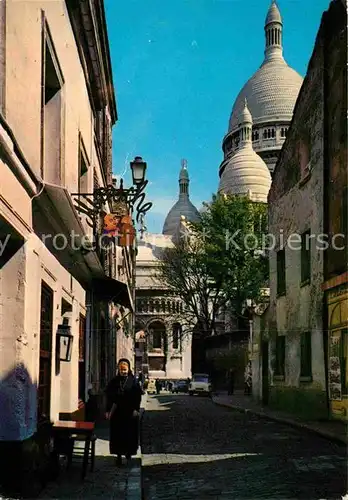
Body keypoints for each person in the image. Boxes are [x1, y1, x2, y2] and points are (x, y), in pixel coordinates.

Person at [105, 358, 142, 466]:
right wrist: (107, 411)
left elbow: (137, 397)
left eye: (125, 370)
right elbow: (109, 397)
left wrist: (136, 409)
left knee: (129, 435)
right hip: (117, 414)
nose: (123, 372)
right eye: (121, 370)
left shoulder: (133, 382)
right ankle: (118, 455)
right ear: (118, 370)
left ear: (128, 369)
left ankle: (129, 453)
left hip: (130, 412)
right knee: (118, 435)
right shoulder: (114, 382)